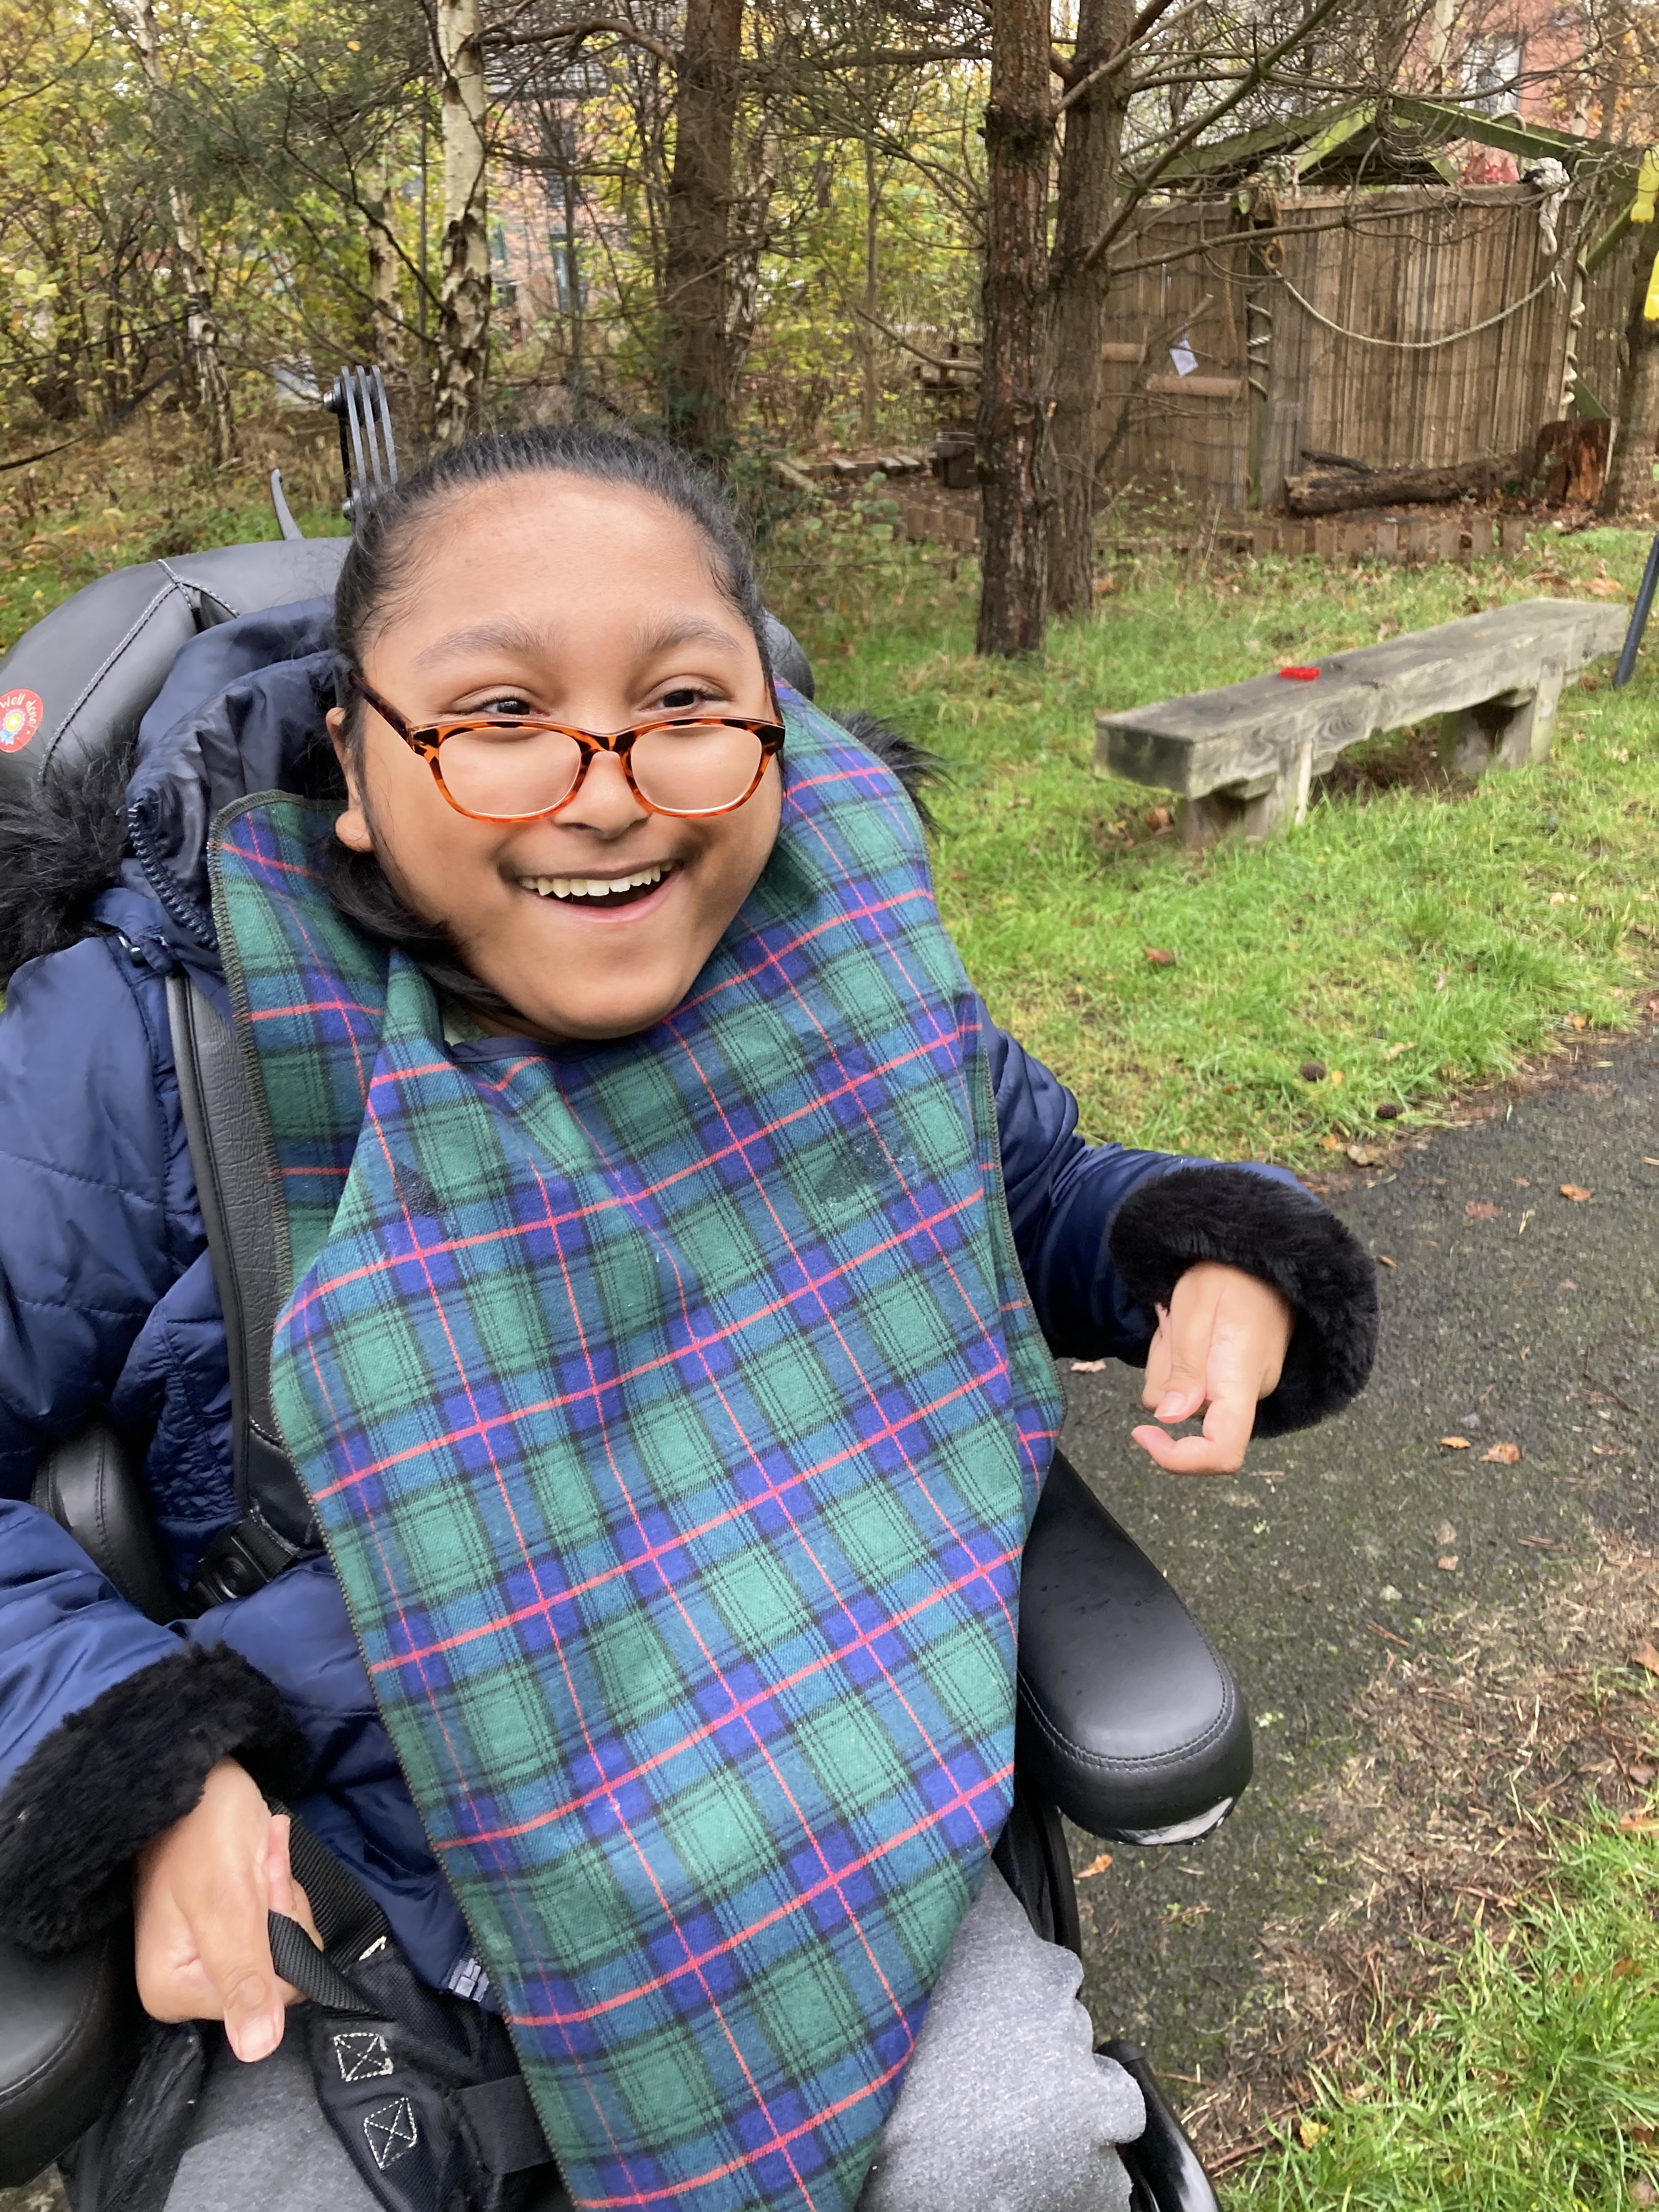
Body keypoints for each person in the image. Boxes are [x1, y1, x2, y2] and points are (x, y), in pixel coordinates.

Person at [0, 427, 1378, 2212]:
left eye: (684, 706)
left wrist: (1200, 1253)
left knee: (1010, 2149)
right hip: (347, 1845)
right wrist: (141, 1763)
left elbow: (1023, 1180)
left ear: (771, 730)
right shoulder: (147, 1038)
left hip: (810, 1759)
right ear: (354, 759)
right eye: (501, 716)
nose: (611, 795)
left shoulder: (832, 957)